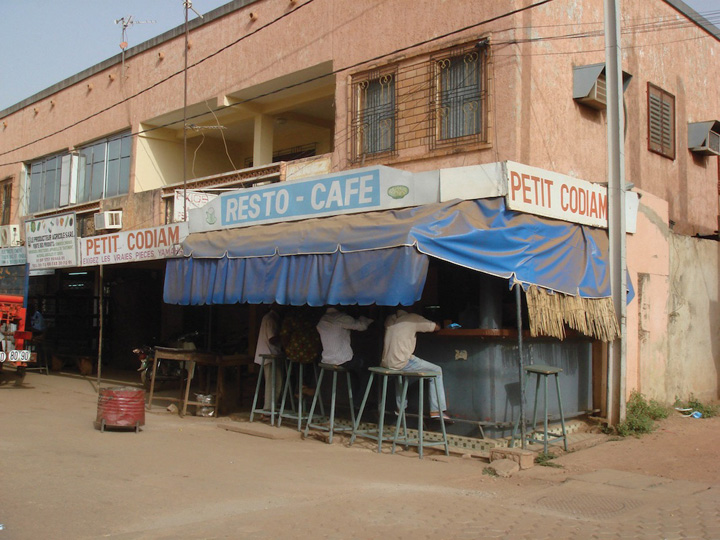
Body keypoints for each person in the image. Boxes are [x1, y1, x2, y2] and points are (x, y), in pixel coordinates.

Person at [382, 308, 452, 422]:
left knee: (399, 374)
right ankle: (436, 410)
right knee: (436, 370)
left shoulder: (390, 319)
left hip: (386, 363)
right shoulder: (412, 318)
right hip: (402, 362)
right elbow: (435, 327)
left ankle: (400, 408)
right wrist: (439, 323)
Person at [315, 307, 373, 394]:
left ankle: (354, 401)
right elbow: (362, 326)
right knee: (367, 369)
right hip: (342, 359)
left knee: (354, 371)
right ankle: (360, 402)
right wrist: (366, 318)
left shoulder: (322, 320)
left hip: (326, 359)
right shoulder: (341, 318)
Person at [254, 305, 283, 416]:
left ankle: (269, 409)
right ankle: (268, 410)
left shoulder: (268, 317)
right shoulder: (271, 319)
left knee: (272, 383)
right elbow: (272, 339)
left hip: (268, 354)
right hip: (270, 355)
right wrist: (285, 337)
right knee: (274, 384)